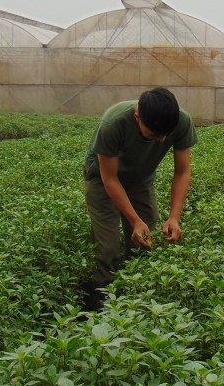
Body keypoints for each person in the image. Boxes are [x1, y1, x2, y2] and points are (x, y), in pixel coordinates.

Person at [81, 87, 198, 309]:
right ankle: (98, 310)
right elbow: (110, 179)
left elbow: (182, 171)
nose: (162, 139)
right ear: (137, 117)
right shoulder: (113, 123)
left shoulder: (181, 121)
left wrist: (174, 217)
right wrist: (135, 220)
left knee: (145, 244)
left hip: (140, 180)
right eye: (155, 134)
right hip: (102, 180)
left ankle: (136, 308)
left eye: (166, 134)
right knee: (108, 250)